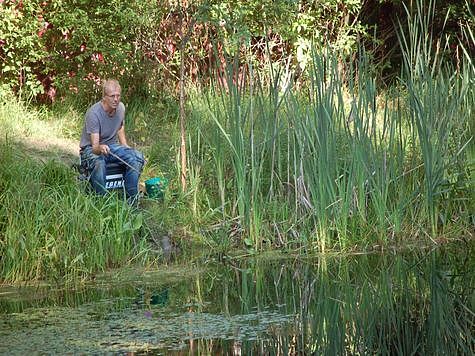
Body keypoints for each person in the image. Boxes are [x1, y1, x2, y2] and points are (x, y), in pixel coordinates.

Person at [79, 79, 144, 205]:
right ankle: (101, 202)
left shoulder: (121, 108)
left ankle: (132, 199)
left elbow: (119, 127)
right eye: (112, 96)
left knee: (136, 157)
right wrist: (101, 147)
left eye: (118, 95)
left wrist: (125, 146)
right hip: (91, 148)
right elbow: (95, 147)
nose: (116, 99)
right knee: (99, 163)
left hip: (112, 146)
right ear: (104, 97)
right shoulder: (94, 113)